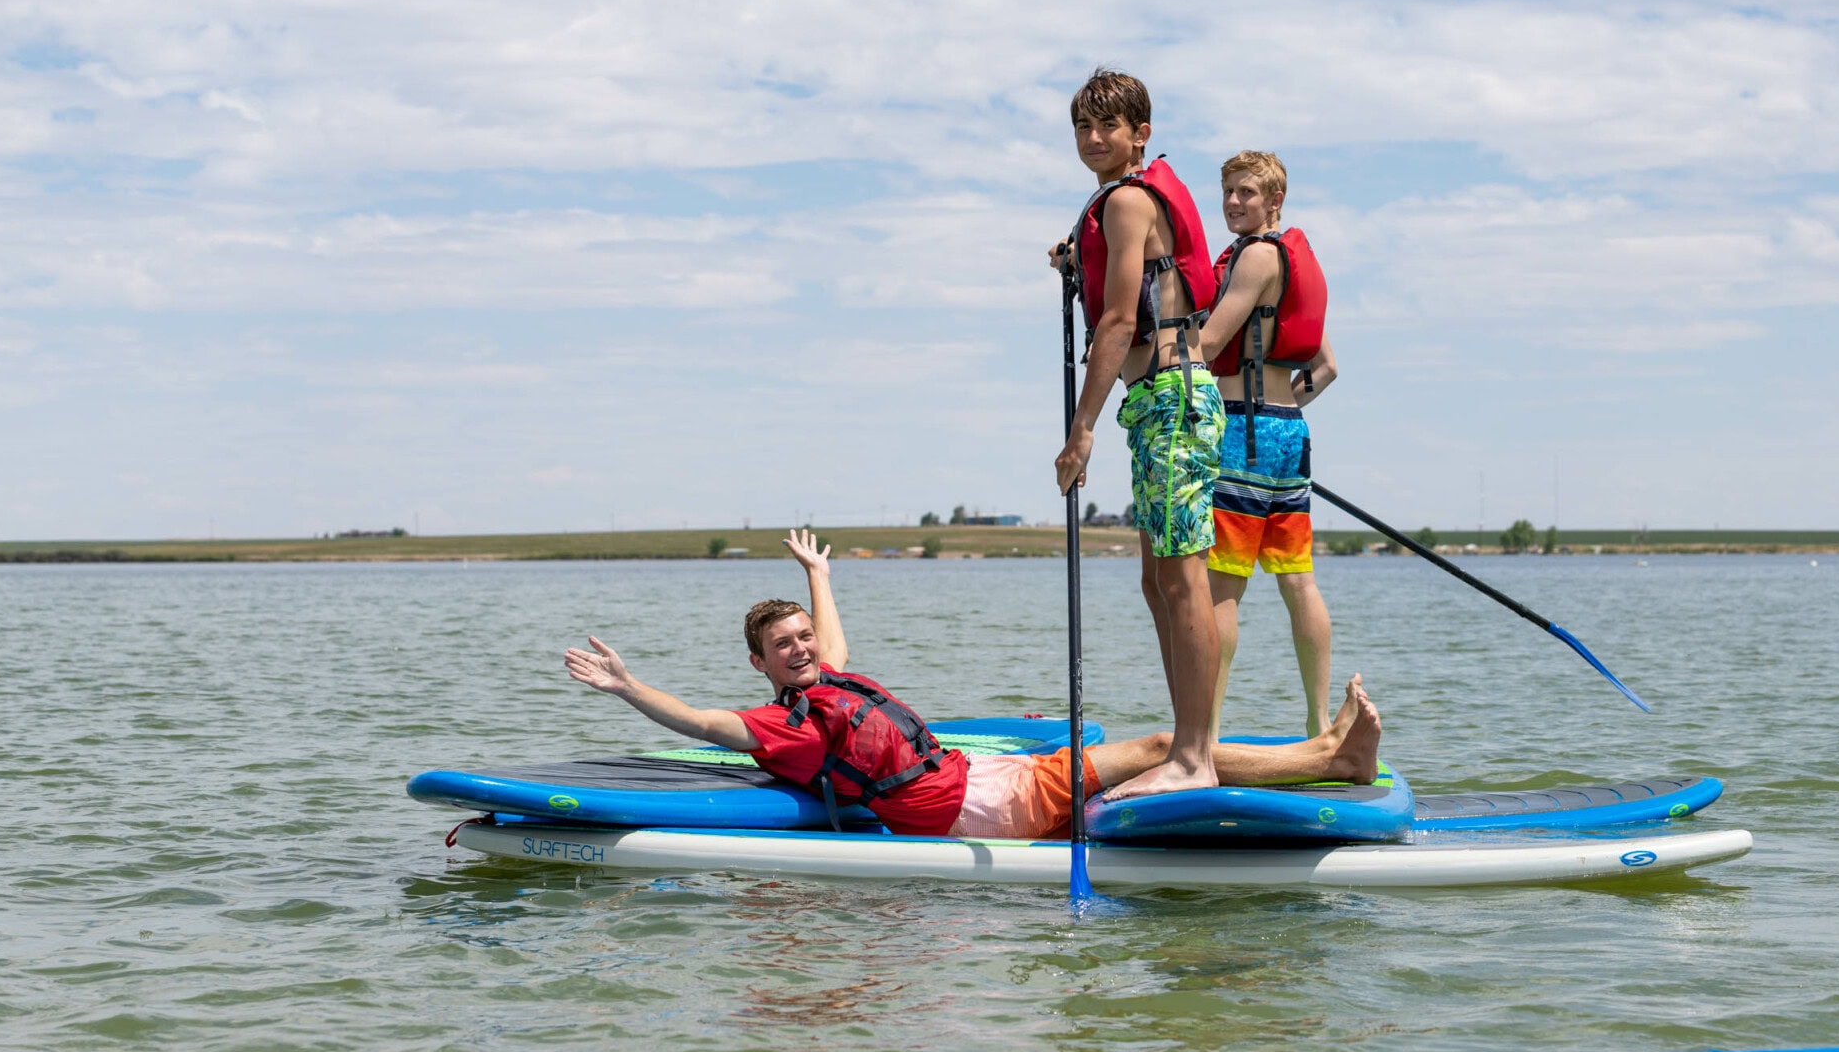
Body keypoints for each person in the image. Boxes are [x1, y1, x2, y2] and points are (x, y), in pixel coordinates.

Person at [563, 530, 1382, 841]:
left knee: (1154, 749)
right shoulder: (786, 725)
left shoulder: (829, 676)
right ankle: (1329, 760)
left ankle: (1321, 750)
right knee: (1165, 746)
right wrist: (631, 686)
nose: (803, 648)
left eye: (802, 637)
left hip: (985, 779)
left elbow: (835, 639)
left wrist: (817, 573)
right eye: (784, 647)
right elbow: (707, 726)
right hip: (982, 809)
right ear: (762, 667)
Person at [1049, 68, 1228, 802]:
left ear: (1140, 134)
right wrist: (1073, 263)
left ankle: (1195, 757)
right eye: (1083, 130)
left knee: (1182, 582)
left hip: (1172, 398)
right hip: (1159, 401)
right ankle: (1189, 747)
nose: (1094, 140)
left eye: (1108, 128)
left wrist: (1080, 430)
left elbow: (1121, 322)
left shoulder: (1126, 199)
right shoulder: (1121, 201)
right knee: (1159, 582)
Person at [1197, 151, 1340, 736]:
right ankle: (1319, 723)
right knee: (1296, 579)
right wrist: (1281, 412)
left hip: (1242, 431)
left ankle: (1201, 734)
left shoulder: (1255, 257)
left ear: (1275, 201)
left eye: (1247, 193)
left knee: (1221, 586)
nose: (1233, 202)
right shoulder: (1294, 261)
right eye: (1228, 191)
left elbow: (1206, 345)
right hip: (1288, 433)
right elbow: (1327, 367)